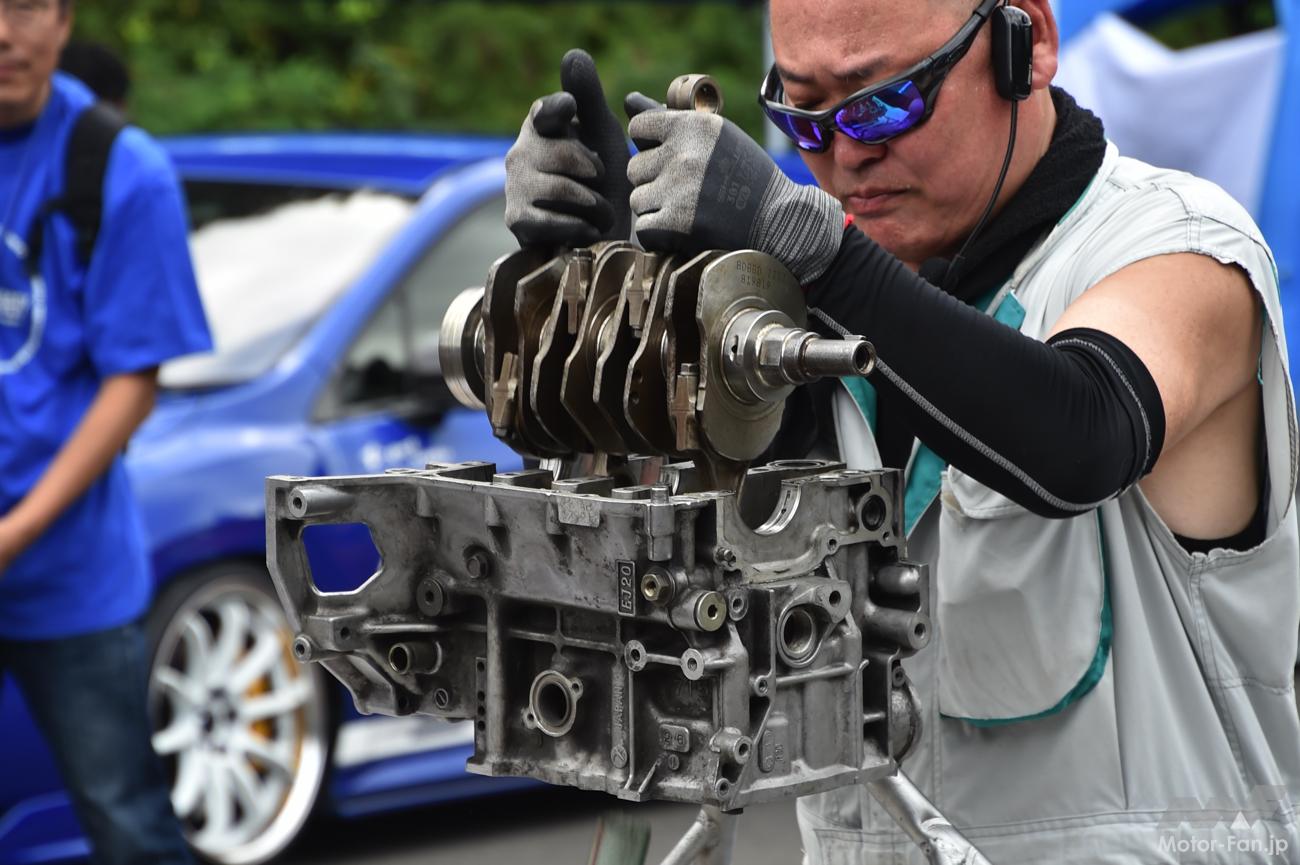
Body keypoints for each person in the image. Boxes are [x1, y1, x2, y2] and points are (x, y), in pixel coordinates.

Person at [504, 0, 1300, 859]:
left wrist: (816, 248)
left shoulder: (1183, 243)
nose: (846, 154)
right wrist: (599, 290)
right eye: (805, 116)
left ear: (1028, 43)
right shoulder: (801, 303)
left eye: (883, 102)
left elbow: (1082, 435)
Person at [0, 1, 211, 863]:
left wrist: (14, 532)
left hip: (70, 574)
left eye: (24, 5)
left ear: (61, 19)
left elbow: (133, 384)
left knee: (127, 822)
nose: (3, 32)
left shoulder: (121, 168)